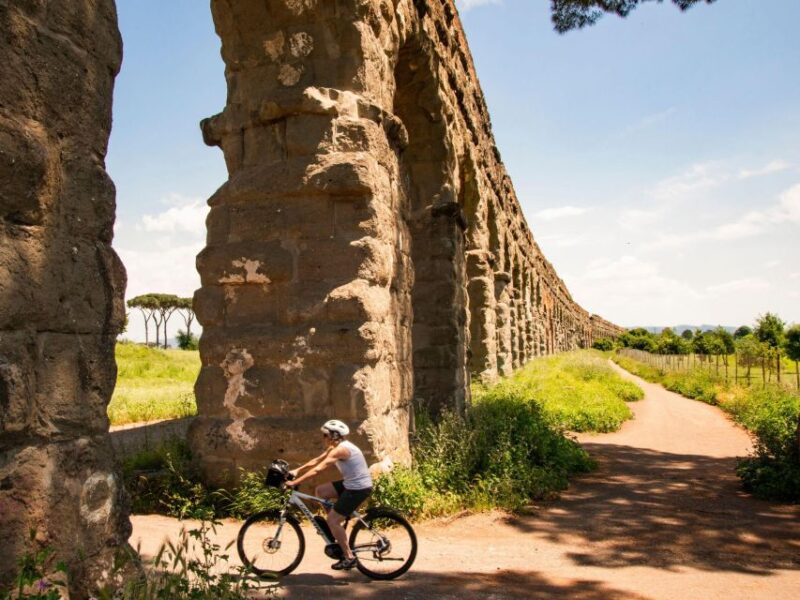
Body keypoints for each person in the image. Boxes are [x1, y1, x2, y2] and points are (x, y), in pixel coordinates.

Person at [286, 419, 373, 570]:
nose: (323, 438)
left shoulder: (340, 450)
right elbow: (316, 461)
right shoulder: (335, 447)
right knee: (321, 491)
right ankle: (335, 526)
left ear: (333, 435)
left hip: (358, 489)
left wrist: (295, 483)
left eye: (325, 435)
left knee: (333, 520)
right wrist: (297, 470)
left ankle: (349, 557)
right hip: (350, 484)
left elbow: (318, 469)